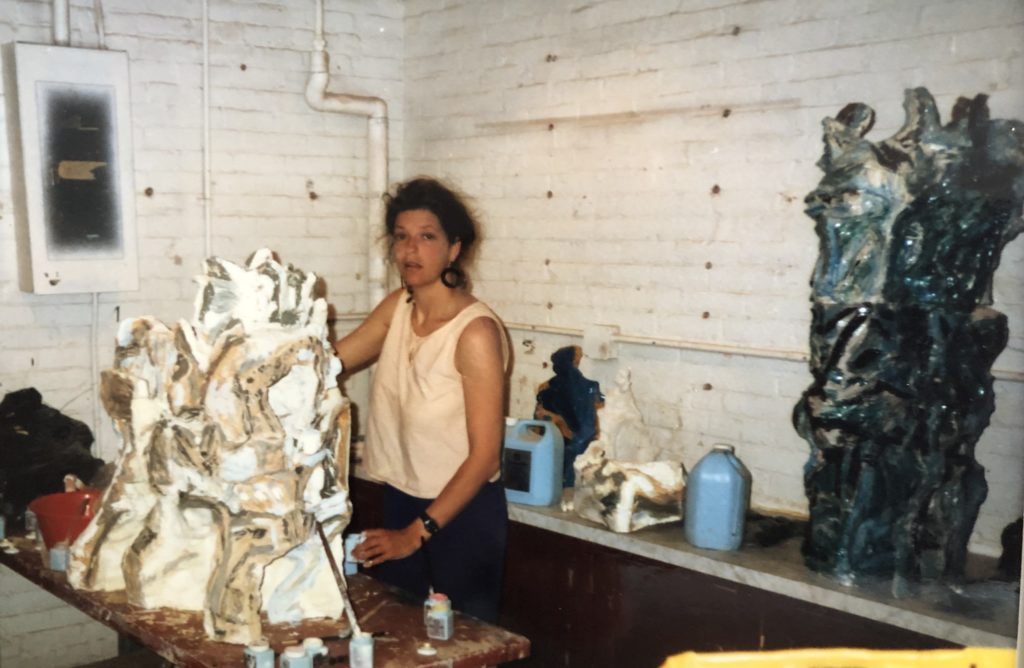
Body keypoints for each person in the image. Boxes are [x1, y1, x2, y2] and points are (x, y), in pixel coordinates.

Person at [334, 177, 510, 622]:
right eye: (401, 237)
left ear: (454, 249)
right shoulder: (399, 307)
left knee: (464, 645)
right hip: (400, 500)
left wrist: (416, 533)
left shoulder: (475, 333)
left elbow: (486, 458)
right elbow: (331, 363)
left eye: (427, 237)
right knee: (399, 636)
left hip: (460, 516)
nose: (411, 250)